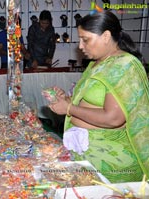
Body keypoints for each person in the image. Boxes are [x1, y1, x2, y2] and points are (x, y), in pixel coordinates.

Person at [47, 11, 149, 183]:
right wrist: (67, 100)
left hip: (112, 162)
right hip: (88, 154)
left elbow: (113, 118)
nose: (80, 46)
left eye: (85, 39)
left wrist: (69, 108)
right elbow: (88, 105)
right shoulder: (96, 64)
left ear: (106, 36)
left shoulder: (125, 65)